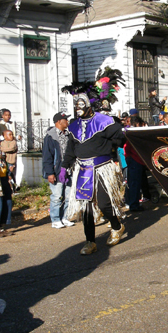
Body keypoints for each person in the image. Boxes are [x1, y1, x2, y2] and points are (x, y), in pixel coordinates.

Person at [61, 77, 126, 254]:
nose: (78, 108)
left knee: (105, 204)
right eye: (76, 106)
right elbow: (70, 149)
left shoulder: (104, 122)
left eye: (81, 105)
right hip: (82, 171)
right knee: (87, 208)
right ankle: (90, 241)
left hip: (102, 169)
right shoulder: (74, 126)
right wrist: (63, 166)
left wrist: (116, 141)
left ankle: (116, 226)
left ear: (89, 105)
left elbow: (121, 138)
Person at [42, 113, 74, 229]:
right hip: (56, 171)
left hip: (69, 170)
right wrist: (50, 173)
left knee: (68, 195)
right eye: (65, 119)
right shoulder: (50, 136)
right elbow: (47, 156)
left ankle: (65, 217)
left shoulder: (68, 135)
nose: (67, 121)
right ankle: (55, 219)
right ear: (59, 121)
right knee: (56, 196)